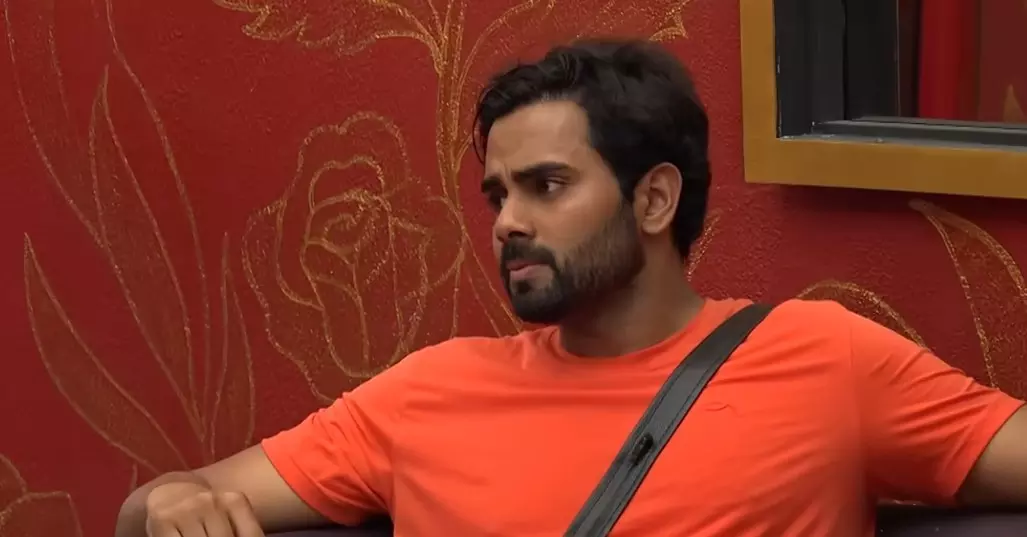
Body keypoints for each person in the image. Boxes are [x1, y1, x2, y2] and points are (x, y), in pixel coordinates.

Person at [116, 38, 1027, 537]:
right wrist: (167, 501)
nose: (506, 221)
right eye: (497, 195)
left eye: (545, 186)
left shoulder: (825, 358)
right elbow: (156, 503)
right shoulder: (426, 392)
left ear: (654, 198)